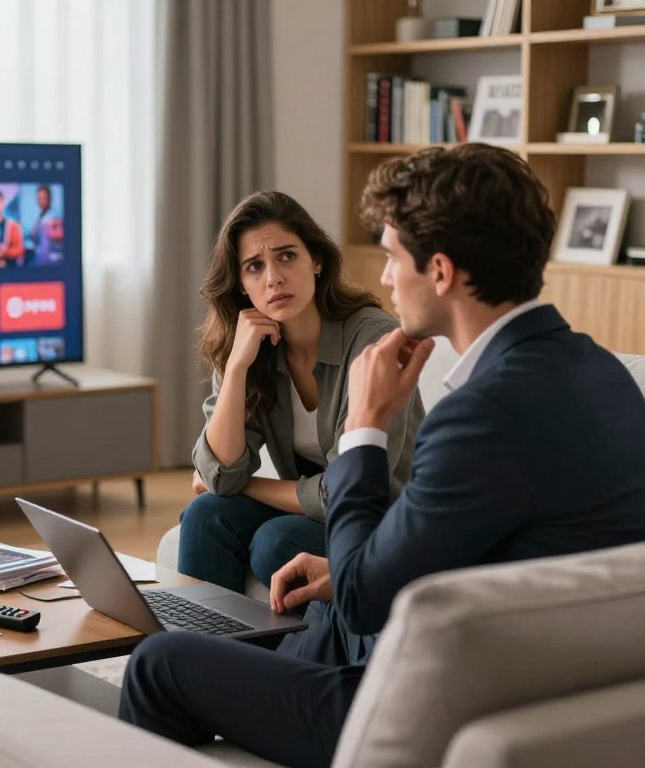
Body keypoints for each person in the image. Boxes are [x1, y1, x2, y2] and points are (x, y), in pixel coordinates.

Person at [119, 144, 645, 768]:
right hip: (522, 668)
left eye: (394, 258)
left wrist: (366, 427)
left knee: (157, 664)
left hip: (418, 694)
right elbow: (501, 545)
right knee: (295, 615)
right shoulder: (603, 373)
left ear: (441, 271)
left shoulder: (479, 415)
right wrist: (339, 571)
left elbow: (369, 598)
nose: (387, 279)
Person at [179, 191, 424, 595]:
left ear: (317, 261)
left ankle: (274, 658)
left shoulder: (371, 339)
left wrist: (247, 485)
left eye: (287, 256)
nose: (273, 276)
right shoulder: (248, 346)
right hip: (318, 509)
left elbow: (344, 493)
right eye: (254, 266)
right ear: (241, 286)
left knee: (277, 541)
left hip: (383, 518)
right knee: (206, 514)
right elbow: (218, 475)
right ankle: (203, 649)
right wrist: (237, 367)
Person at [28, 184, 64, 265]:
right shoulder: (39, 218)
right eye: (39, 198)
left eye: (43, 198)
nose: (41, 200)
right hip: (40, 260)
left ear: (49, 199)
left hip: (53, 262)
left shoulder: (56, 216)